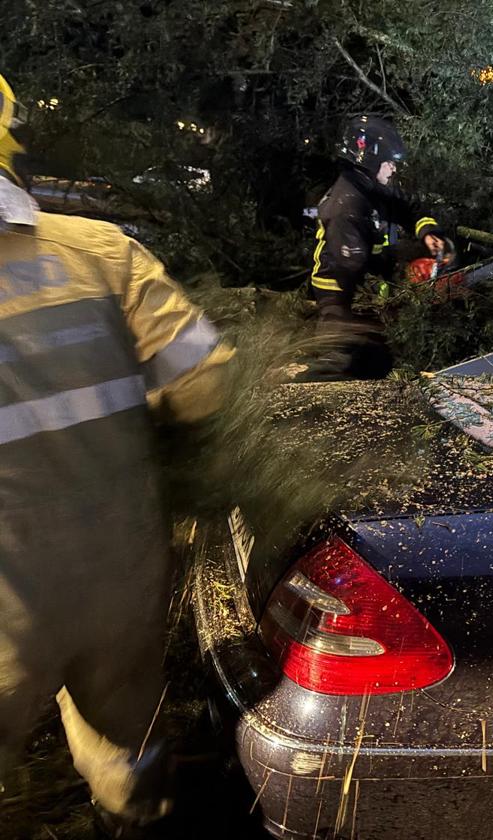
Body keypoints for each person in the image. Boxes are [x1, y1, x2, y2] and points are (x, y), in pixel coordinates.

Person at [0, 72, 233, 835]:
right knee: (129, 755)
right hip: (119, 580)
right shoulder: (103, 252)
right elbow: (208, 380)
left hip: (8, 603)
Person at [305, 115, 493, 379]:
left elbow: (409, 207)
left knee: (381, 352)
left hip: (369, 282)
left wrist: (427, 233)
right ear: (370, 162)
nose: (393, 169)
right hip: (341, 292)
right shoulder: (347, 207)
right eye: (389, 163)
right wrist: (410, 274)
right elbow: (356, 268)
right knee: (342, 359)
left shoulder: (373, 187)